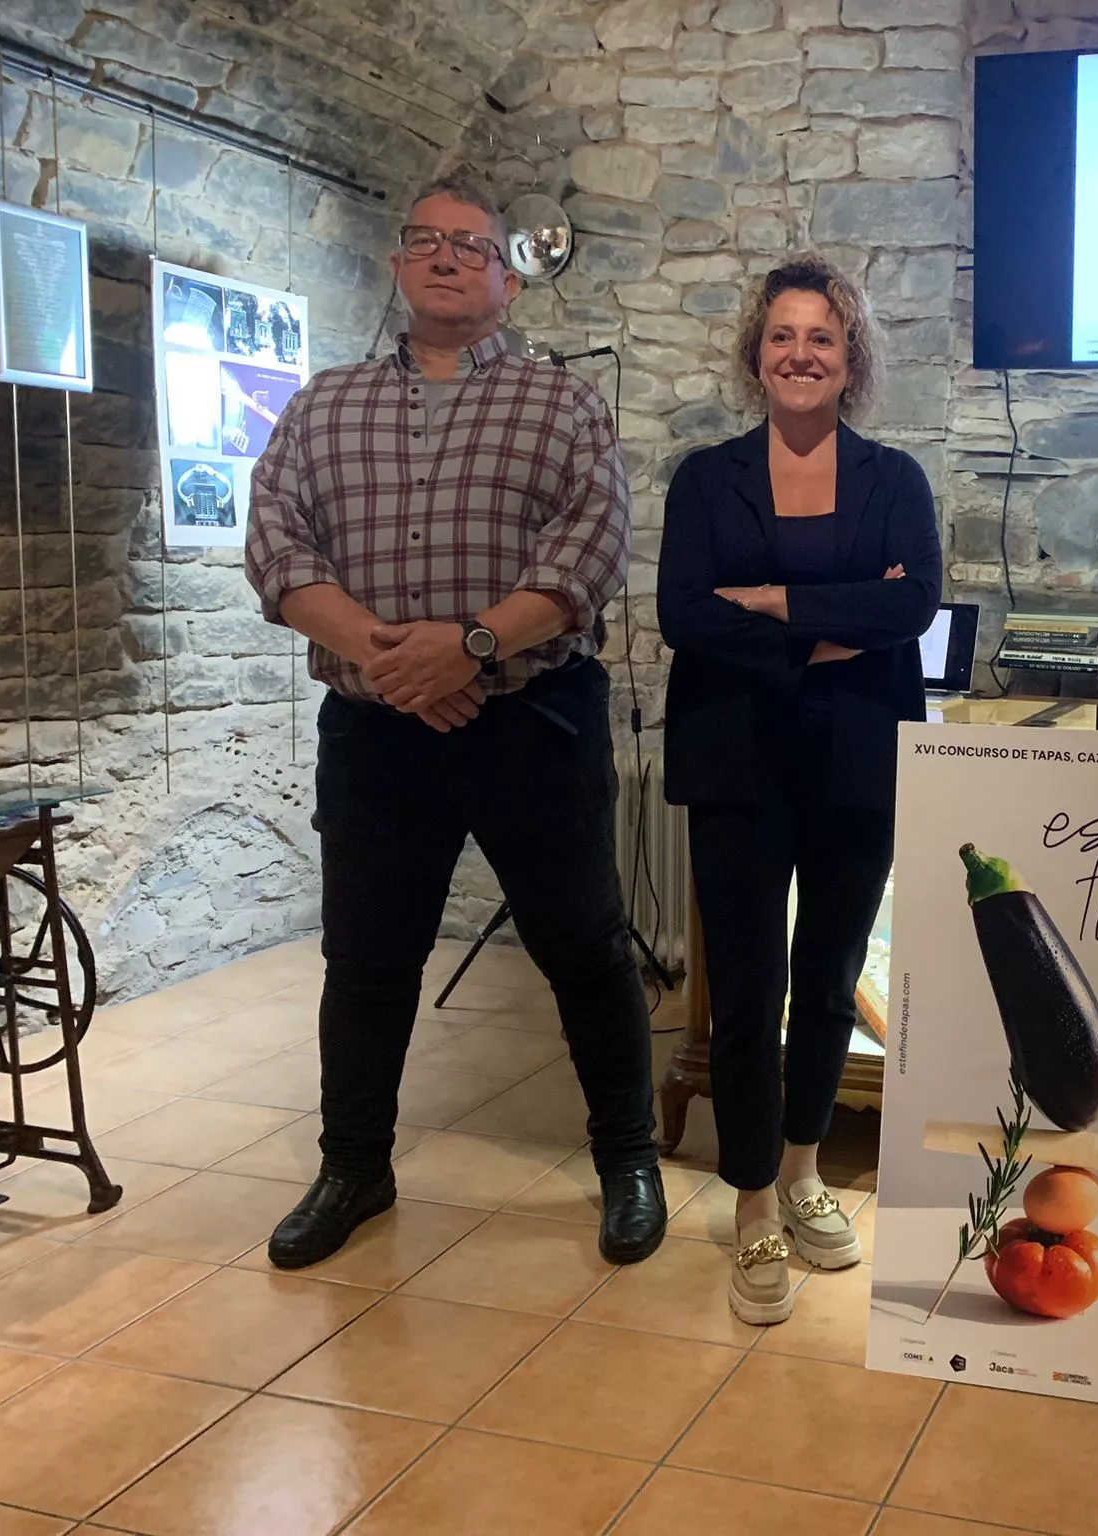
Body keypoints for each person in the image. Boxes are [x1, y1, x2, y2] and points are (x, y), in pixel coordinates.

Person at [245, 174, 667, 1270]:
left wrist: (467, 644)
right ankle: (354, 1166)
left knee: (584, 948)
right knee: (367, 957)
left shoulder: (563, 404)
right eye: (426, 241)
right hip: (377, 729)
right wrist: (395, 660)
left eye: (471, 246)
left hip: (533, 721)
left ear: (507, 282)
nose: (446, 258)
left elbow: (589, 552)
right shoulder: (322, 406)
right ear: (397, 265)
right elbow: (278, 546)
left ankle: (628, 1157)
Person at [657, 255, 942, 1325]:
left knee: (827, 981)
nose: (800, 354)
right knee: (744, 990)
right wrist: (832, 623)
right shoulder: (705, 478)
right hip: (737, 757)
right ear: (756, 354)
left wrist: (771, 599)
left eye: (821, 337)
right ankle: (749, 1202)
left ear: (850, 359)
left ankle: (804, 1170)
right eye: (782, 335)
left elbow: (913, 605)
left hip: (856, 758)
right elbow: (685, 613)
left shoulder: (895, 479)